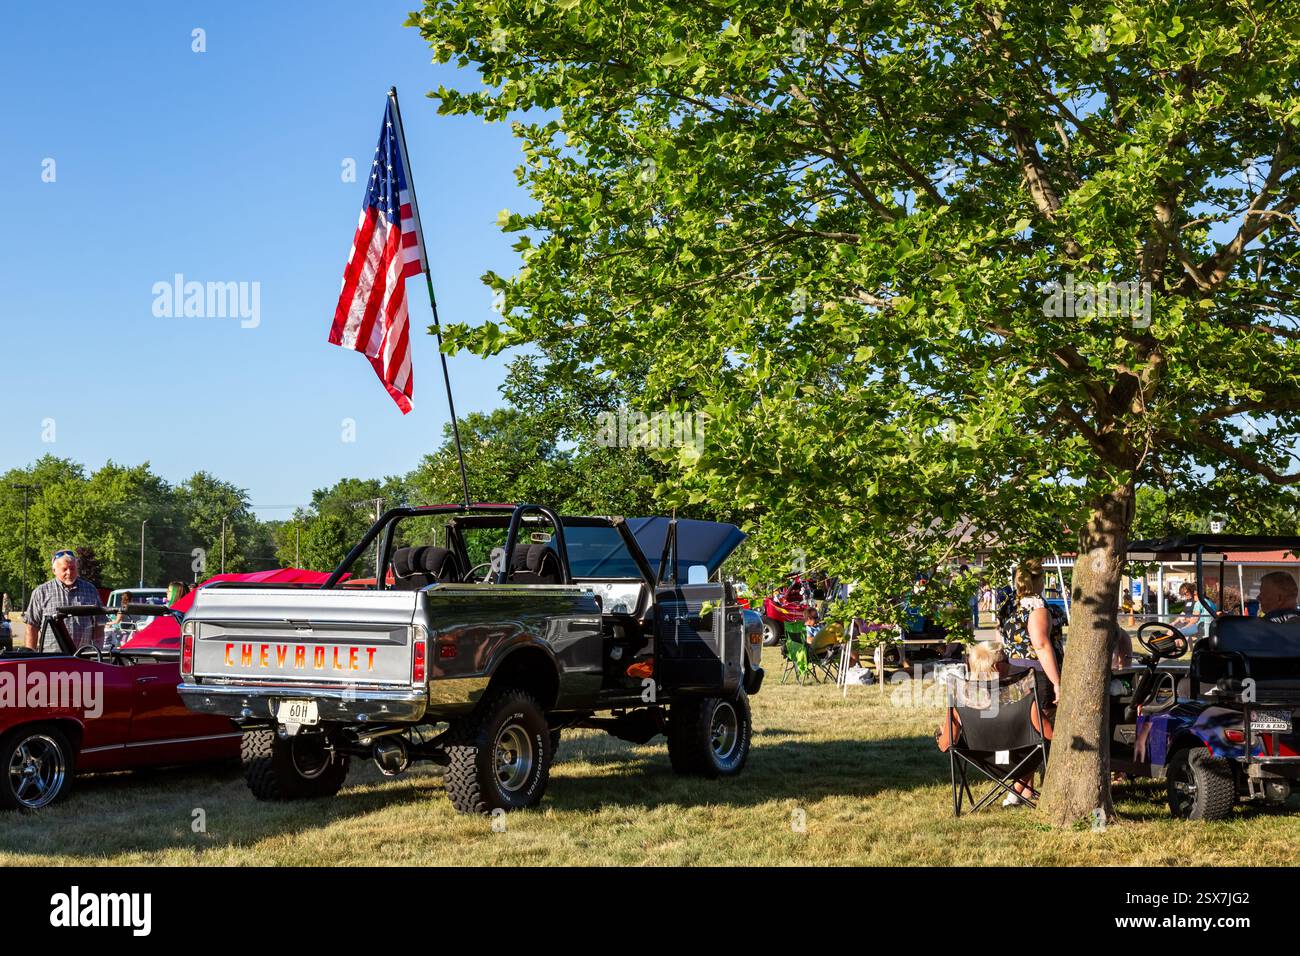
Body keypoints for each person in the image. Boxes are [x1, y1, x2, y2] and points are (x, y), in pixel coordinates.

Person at [934, 641, 1054, 806]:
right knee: (1038, 746)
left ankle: (1015, 794)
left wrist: (940, 733)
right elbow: (1049, 736)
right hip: (1019, 761)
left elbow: (946, 744)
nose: (1010, 664)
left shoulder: (961, 702)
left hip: (984, 761)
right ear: (997, 667)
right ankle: (1015, 793)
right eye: (1007, 660)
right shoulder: (1024, 700)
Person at [997, 561, 1063, 704]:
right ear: (1039, 580)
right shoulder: (1036, 606)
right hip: (1038, 672)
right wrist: (1057, 682)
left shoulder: (1009, 605)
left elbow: (999, 634)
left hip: (1013, 669)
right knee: (1041, 721)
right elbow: (1041, 645)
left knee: (1021, 719)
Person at [24, 550, 104, 651]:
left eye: (72, 568)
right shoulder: (41, 592)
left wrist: (97, 652)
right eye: (64, 569)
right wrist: (30, 657)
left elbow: (99, 624)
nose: (69, 572)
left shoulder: (90, 590)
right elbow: (32, 626)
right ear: (54, 570)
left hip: (83, 658)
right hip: (52, 659)